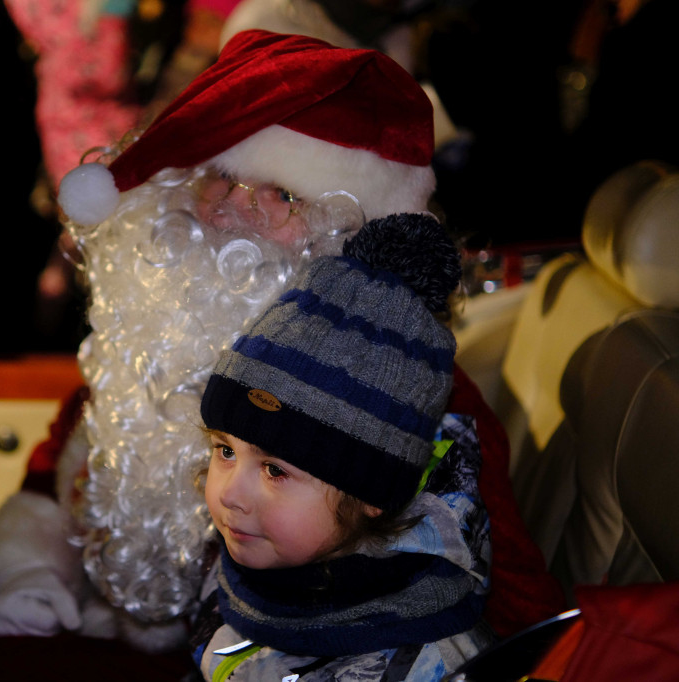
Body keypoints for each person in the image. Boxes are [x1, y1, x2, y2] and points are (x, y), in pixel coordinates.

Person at [0, 28, 561, 665]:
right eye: (220, 176)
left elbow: (516, 601)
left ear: (353, 235)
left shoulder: (404, 396)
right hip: (98, 616)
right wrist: (30, 569)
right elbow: (68, 452)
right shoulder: (159, 329)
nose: (228, 212)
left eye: (284, 195)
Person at [192, 214, 493, 680]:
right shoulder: (257, 556)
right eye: (225, 450)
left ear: (371, 494)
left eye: (275, 471)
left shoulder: (411, 663)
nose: (229, 493)